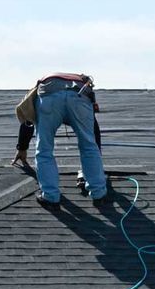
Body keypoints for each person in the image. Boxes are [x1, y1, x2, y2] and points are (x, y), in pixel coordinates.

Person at [11, 73, 107, 205]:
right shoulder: (80, 84)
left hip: (49, 95)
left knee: (44, 149)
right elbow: (93, 133)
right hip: (79, 96)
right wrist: (97, 159)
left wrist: (22, 148)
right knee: (89, 146)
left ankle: (50, 196)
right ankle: (99, 194)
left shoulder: (41, 87)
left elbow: (28, 118)